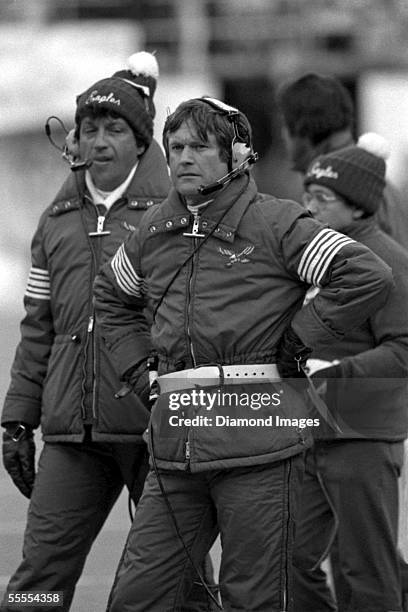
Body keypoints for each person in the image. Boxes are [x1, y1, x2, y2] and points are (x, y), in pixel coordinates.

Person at [93, 96, 394, 611]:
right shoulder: (153, 233)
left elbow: (365, 273)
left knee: (252, 601)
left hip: (259, 453)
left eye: (199, 147)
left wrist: (300, 339)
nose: (183, 157)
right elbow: (111, 297)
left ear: (238, 154)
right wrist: (140, 370)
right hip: (173, 452)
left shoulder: (277, 223)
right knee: (135, 598)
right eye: (176, 147)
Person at [0, 52, 172, 612]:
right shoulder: (53, 223)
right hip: (74, 436)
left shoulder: (176, 216)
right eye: (89, 128)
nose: (98, 140)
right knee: (37, 585)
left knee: (177, 584)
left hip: (157, 431)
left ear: (141, 141)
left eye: (114, 129)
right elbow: (38, 328)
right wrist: (17, 419)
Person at [292, 133, 408, 612]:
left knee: (367, 570)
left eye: (323, 198)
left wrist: (338, 370)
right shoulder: (314, 257)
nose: (310, 207)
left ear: (359, 207)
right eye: (308, 195)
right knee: (287, 555)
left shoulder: (392, 263)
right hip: (305, 426)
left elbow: (404, 350)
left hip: (363, 431)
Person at [277, 72, 408, 248]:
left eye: (284, 125)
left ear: (301, 130)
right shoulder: (373, 184)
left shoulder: (342, 194)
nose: (282, 135)